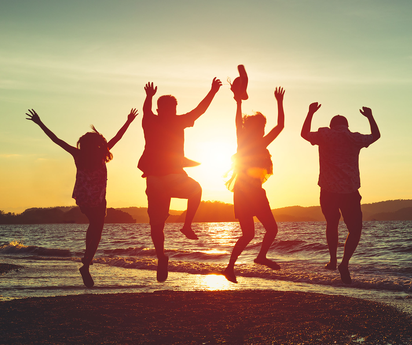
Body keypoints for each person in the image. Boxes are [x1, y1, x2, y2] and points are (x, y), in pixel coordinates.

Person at [26, 108, 138, 287]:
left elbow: (57, 140)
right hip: (98, 199)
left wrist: (40, 123)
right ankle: (86, 263)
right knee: (97, 229)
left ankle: (87, 260)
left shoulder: (78, 154)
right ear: (96, 144)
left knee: (93, 225)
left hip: (84, 199)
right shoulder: (102, 152)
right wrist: (128, 121)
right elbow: (118, 137)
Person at [138, 78, 222, 281]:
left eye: (174, 108)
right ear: (167, 109)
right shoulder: (174, 121)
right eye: (172, 108)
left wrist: (148, 97)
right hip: (170, 178)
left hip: (157, 180)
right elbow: (199, 110)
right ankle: (186, 225)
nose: (173, 111)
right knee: (196, 190)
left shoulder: (152, 120)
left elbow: (147, 112)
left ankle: (161, 256)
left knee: (156, 225)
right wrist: (213, 91)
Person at [300, 102, 380, 283]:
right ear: (346, 125)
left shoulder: (325, 135)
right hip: (350, 191)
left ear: (331, 126)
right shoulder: (354, 138)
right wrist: (370, 116)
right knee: (355, 229)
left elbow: (304, 134)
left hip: (328, 190)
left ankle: (333, 260)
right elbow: (376, 135)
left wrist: (310, 112)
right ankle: (344, 262)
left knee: (332, 223)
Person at [222, 69, 284, 283]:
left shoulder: (246, 140)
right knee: (268, 229)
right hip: (250, 192)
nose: (263, 128)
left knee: (252, 233)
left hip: (243, 192)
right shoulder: (252, 141)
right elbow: (279, 126)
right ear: (255, 128)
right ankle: (256, 258)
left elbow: (279, 127)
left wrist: (239, 101)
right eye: (261, 126)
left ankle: (234, 266)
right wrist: (279, 102)